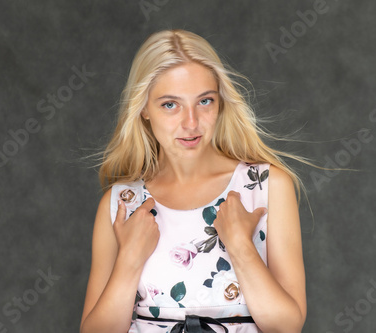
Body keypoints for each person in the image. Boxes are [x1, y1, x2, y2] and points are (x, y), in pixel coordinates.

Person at [80, 29, 308, 333]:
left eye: (204, 101)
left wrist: (241, 246)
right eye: (170, 104)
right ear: (144, 109)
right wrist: (129, 261)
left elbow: (287, 326)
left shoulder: (266, 186)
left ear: (220, 103)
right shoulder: (122, 203)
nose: (191, 123)